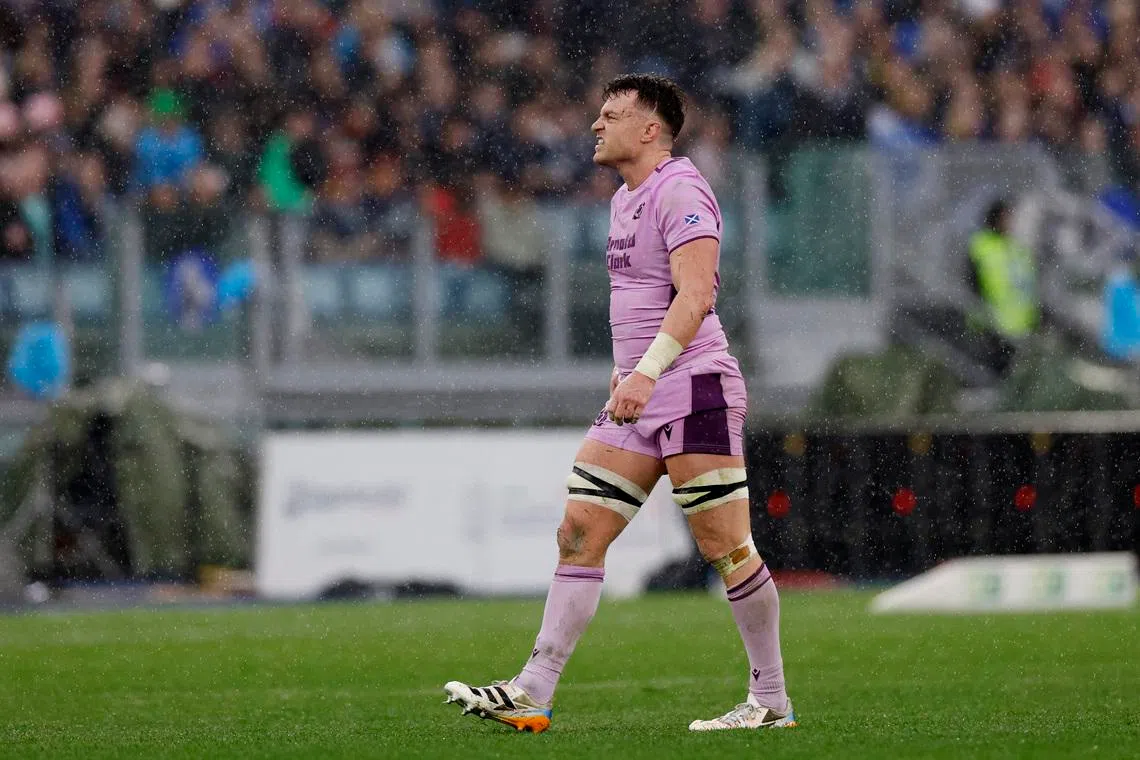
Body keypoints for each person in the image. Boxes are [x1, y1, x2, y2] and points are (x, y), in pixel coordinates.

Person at [443, 74, 794, 733]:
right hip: (639, 392)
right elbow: (636, 298)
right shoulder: (621, 200)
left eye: (610, 116)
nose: (596, 126)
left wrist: (648, 371)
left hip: (694, 385)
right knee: (579, 530)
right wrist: (621, 371)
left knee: (725, 545)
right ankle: (531, 691)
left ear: (650, 130)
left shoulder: (682, 188)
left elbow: (696, 296)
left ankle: (771, 700)